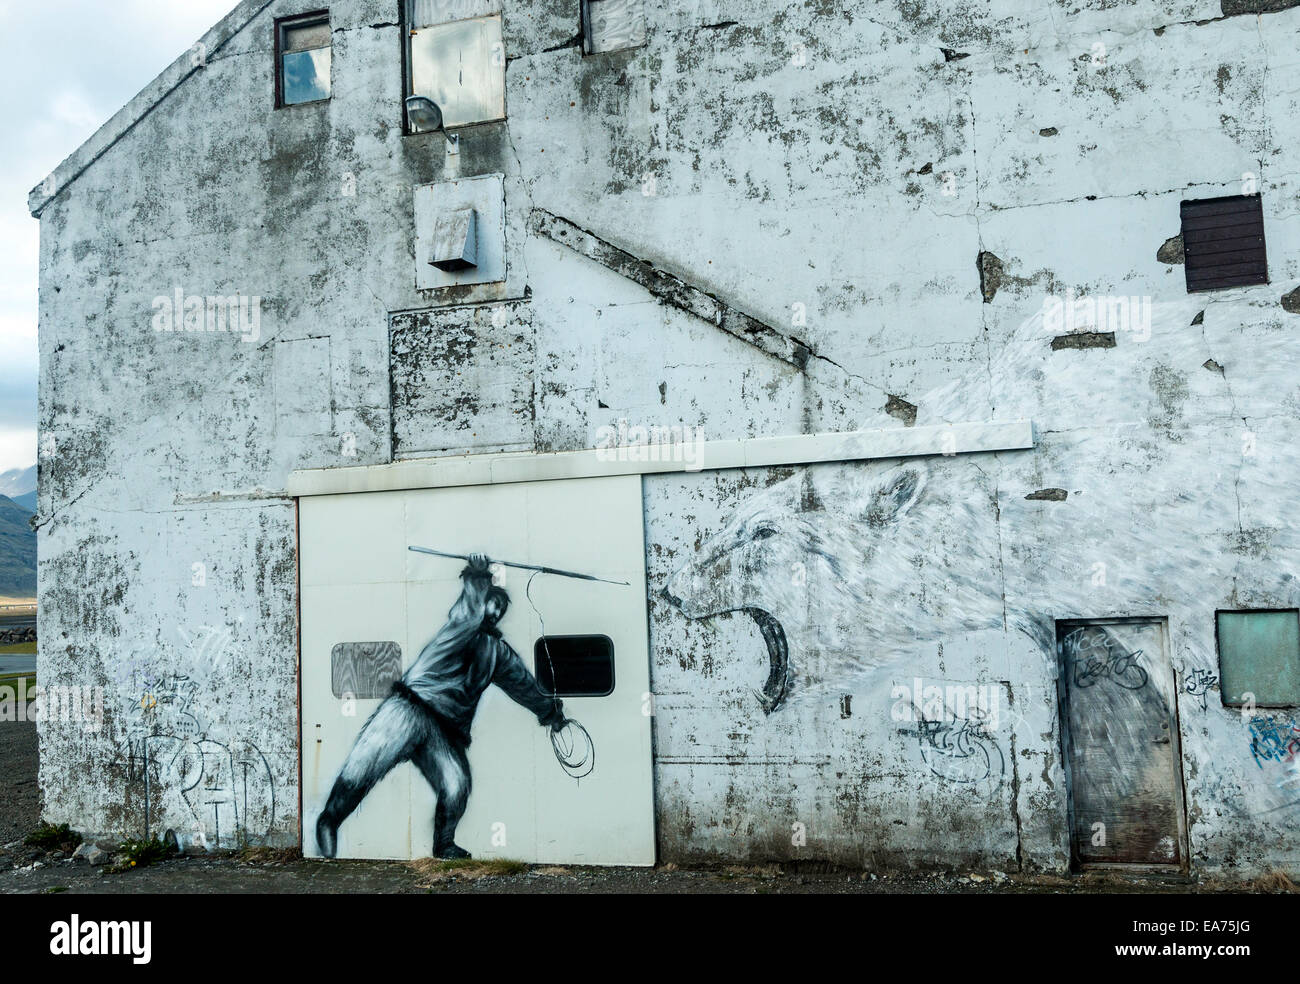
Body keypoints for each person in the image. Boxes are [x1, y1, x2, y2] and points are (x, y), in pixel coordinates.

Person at [316, 555, 565, 859]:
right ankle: (329, 821)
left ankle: (443, 844)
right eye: (492, 602)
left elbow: (523, 685)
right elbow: (468, 612)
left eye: (501, 608)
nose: (496, 610)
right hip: (407, 709)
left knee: (457, 784)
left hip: (445, 732)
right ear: (481, 601)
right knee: (362, 767)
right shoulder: (460, 627)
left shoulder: (497, 652)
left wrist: (550, 713)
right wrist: (477, 575)